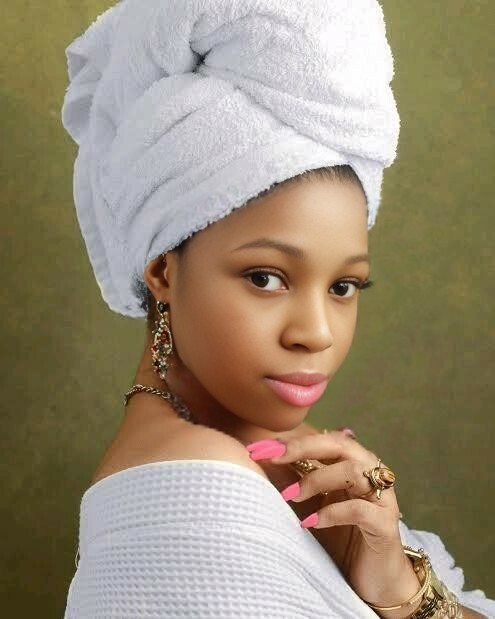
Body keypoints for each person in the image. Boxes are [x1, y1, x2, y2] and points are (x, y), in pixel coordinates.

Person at [60, 1, 494, 617]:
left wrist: (402, 590)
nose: (316, 334)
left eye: (344, 286)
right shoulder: (194, 497)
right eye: (265, 278)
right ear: (162, 270)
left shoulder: (279, 472)